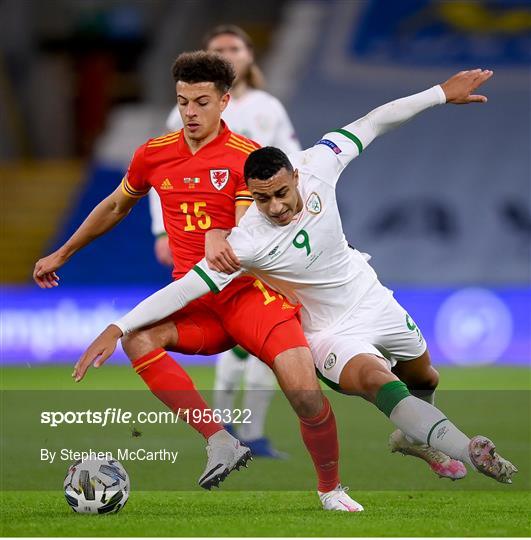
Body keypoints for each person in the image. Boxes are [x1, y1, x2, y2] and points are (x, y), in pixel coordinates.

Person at [77, 70, 518, 507]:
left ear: (295, 174)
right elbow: (184, 290)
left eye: (283, 193)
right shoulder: (245, 240)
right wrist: (119, 327)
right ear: (249, 195)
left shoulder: (319, 164)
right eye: (262, 199)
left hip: (371, 297)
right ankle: (468, 449)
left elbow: (376, 120)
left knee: (424, 376)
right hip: (327, 331)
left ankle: (416, 440)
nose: (276, 207)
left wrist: (440, 93)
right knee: (379, 384)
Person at [33, 51, 348, 507]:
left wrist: (222, 235)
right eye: (183, 102)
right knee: (138, 339)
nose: (190, 112)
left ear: (224, 102)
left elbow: (245, 226)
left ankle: (330, 489)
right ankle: (220, 439)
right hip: (196, 300)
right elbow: (117, 206)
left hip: (247, 296)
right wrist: (63, 252)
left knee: (305, 396)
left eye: (201, 102)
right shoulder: (153, 154)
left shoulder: (246, 157)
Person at [151, 25, 301, 458]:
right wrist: (162, 230)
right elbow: (162, 178)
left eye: (235, 48)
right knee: (234, 332)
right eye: (219, 50)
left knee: (257, 338)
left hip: (262, 229)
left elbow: (292, 163)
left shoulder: (269, 108)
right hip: (206, 234)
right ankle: (224, 426)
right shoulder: (182, 115)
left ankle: (250, 431)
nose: (229, 54)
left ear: (250, 56)